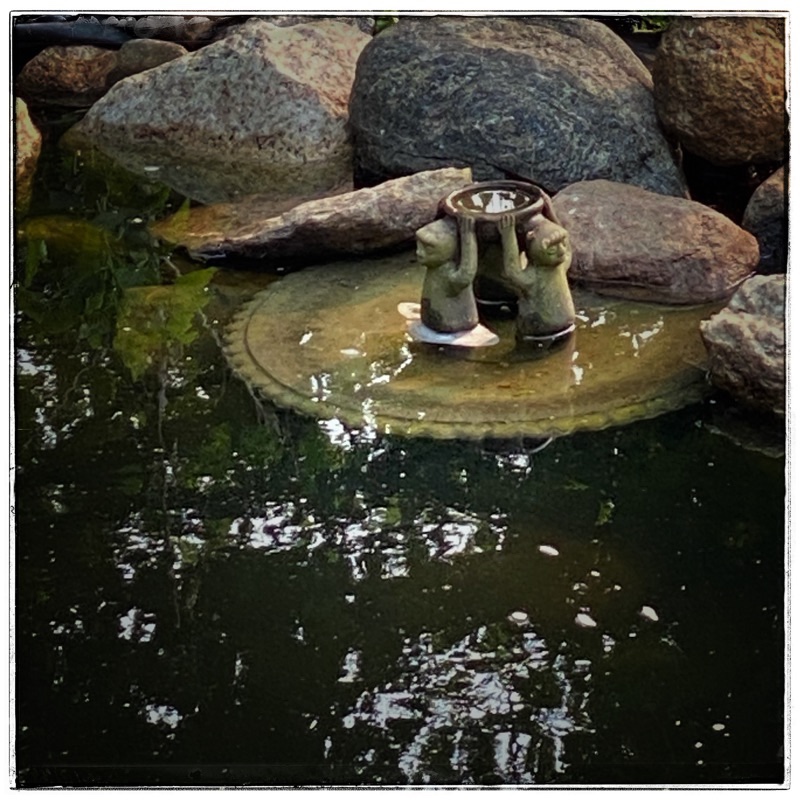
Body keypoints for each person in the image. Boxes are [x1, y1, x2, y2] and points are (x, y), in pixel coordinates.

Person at [497, 212, 576, 340]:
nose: (561, 251)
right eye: (552, 249)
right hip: (538, 331)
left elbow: (568, 248)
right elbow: (512, 271)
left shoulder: (559, 267)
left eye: (562, 244)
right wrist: (508, 236)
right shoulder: (534, 276)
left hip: (564, 325)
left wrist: (550, 212)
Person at [416, 214, 480, 333]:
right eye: (418, 245)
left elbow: (466, 276)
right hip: (435, 323)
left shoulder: (448, 272)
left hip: (453, 323)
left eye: (428, 249)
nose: (419, 252)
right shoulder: (436, 267)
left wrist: (468, 237)